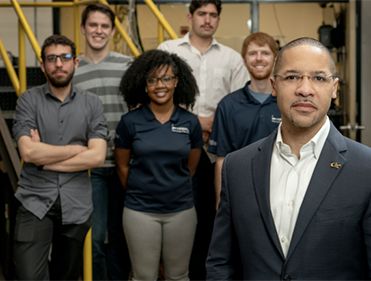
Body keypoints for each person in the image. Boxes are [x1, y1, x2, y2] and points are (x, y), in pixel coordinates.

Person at [206, 37, 371, 280]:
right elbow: (221, 264)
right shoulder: (237, 167)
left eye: (318, 78)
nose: (305, 89)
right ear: (274, 85)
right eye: (292, 77)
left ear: (334, 88)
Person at [158, 1, 249, 278]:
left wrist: (214, 126)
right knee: (176, 218)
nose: (207, 20)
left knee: (213, 219)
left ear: (218, 20)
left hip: (216, 152)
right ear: (190, 17)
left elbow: (237, 104)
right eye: (202, 14)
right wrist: (198, 122)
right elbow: (159, 94)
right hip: (175, 150)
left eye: (213, 15)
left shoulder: (232, 58)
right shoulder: (168, 50)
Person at [12, 34, 108, 281]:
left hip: (76, 204)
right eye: (51, 58)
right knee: (29, 277)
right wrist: (77, 150)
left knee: (66, 277)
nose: (58, 64)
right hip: (34, 201)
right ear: (43, 65)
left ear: (75, 63)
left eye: (65, 57)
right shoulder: (28, 100)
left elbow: (97, 157)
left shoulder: (92, 104)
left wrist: (44, 158)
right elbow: (28, 152)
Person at [114, 49, 203, 281]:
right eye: (152, 80)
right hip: (139, 212)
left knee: (178, 276)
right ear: (144, 85)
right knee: (143, 277)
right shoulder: (129, 122)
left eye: (166, 78)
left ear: (176, 82)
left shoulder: (190, 122)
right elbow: (122, 167)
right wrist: (141, 191)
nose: (159, 85)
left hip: (181, 211)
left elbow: (191, 167)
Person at [72, 3, 132, 280]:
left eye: (104, 26)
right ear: (83, 28)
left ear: (112, 30)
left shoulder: (127, 65)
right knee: (94, 238)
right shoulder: (71, 69)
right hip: (89, 167)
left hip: (124, 164)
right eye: (93, 25)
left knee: (121, 236)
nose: (98, 31)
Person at [208, 32, 281, 210]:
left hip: (281, 192)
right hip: (240, 193)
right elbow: (221, 161)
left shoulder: (286, 103)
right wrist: (220, 205)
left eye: (265, 53)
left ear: (275, 59)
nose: (259, 59)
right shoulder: (228, 105)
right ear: (244, 60)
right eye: (252, 53)